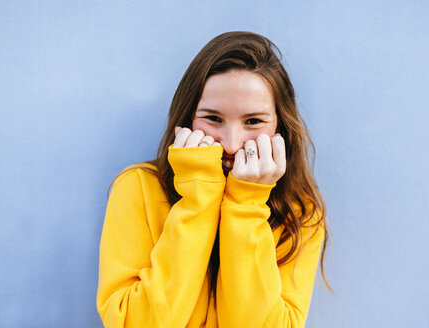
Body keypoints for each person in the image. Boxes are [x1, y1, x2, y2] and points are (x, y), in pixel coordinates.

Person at [96, 31, 332, 328]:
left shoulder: (300, 214)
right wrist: (198, 199)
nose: (232, 144)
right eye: (213, 118)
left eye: (253, 121)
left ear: (280, 128)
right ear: (187, 119)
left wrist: (246, 204)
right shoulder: (137, 188)